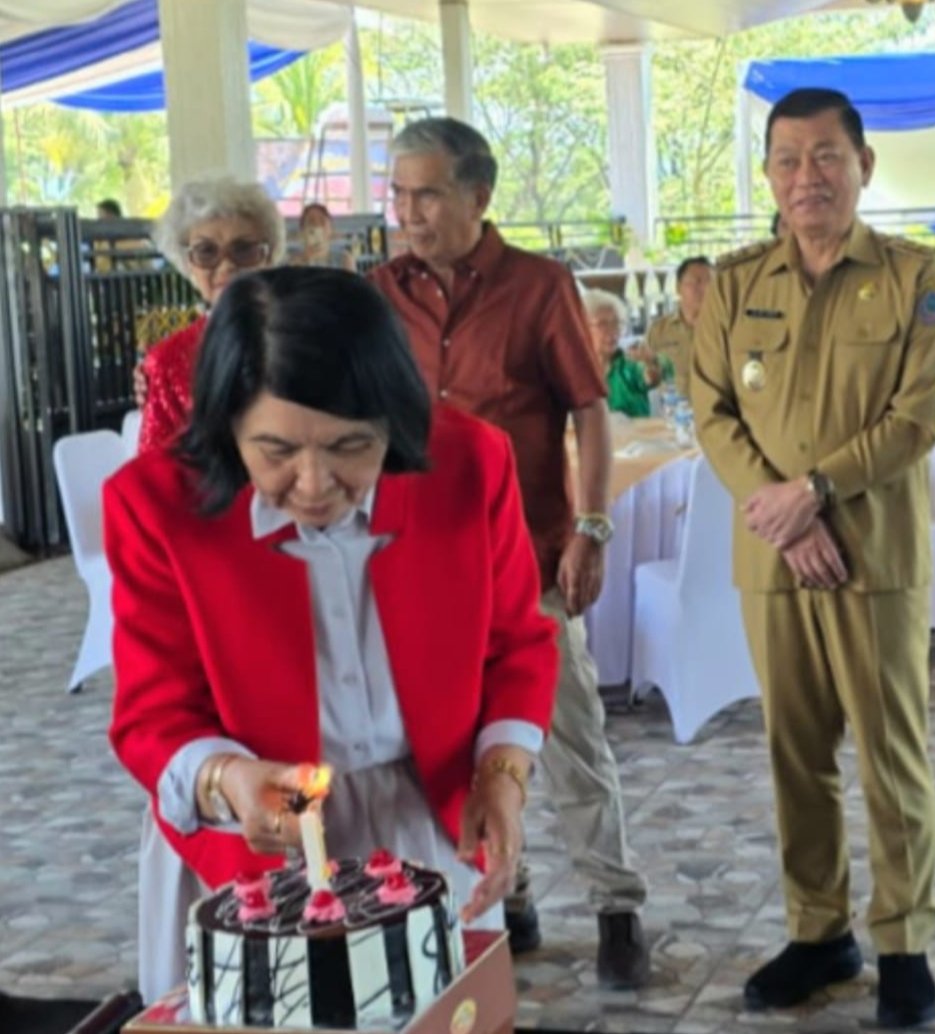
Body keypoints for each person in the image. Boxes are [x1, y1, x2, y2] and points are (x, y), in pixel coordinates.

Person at [105, 267, 559, 1003]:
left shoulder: (469, 466)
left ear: (394, 420)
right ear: (227, 428)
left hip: (424, 818)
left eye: (351, 446)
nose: (314, 484)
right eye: (276, 451)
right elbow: (153, 714)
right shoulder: (157, 505)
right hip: (245, 852)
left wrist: (501, 774)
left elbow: (517, 645)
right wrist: (228, 780)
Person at [369, 117, 651, 989]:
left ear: (478, 196)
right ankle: (509, 898)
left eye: (426, 195)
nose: (407, 213)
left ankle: (615, 906)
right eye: (397, 194)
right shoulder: (378, 295)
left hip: (530, 556)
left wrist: (592, 526)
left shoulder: (538, 286)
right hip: (419, 564)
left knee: (569, 737)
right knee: (454, 744)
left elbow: (588, 410)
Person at [691, 87, 935, 1029]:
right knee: (794, 753)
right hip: (775, 559)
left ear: (864, 166)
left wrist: (817, 492)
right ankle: (819, 931)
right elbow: (712, 411)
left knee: (890, 756)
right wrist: (788, 515)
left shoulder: (915, 276)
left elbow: (917, 417)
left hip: (871, 556)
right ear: (768, 174)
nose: (809, 176)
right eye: (788, 159)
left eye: (828, 156)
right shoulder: (735, 285)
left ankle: (905, 943)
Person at [136, 176, 284, 453]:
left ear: (269, 255)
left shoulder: (307, 337)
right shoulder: (167, 362)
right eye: (206, 252)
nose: (226, 265)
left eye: (243, 250)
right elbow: (156, 467)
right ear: (187, 263)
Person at [585, 288, 666, 418]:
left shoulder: (629, 363)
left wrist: (650, 362)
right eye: (602, 324)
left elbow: (651, 378)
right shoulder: (573, 370)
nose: (612, 331)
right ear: (582, 327)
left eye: (617, 323)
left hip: (636, 431)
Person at [643, 256, 712, 398]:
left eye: (710, 282)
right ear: (678, 287)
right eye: (697, 282)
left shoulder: (727, 328)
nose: (705, 288)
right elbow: (647, 374)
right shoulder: (659, 330)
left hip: (717, 408)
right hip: (674, 406)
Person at [290, 202, 358, 272]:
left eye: (322, 222)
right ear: (302, 232)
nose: (317, 226)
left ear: (331, 229)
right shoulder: (294, 264)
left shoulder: (345, 260)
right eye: (311, 222)